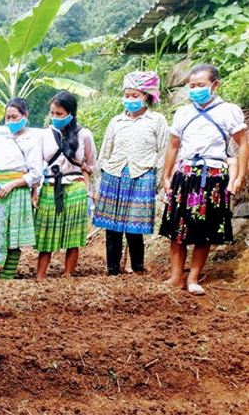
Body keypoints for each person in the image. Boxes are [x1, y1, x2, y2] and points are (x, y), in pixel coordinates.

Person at [160, 64, 248, 295]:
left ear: (215, 85)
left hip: (213, 177)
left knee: (205, 229)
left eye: (201, 85)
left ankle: (193, 277)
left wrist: (239, 176)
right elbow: (173, 146)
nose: (196, 89)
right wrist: (166, 175)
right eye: (192, 86)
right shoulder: (183, 113)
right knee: (177, 228)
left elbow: (242, 142)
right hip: (185, 174)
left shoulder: (228, 111)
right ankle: (175, 276)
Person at [92, 71, 169, 276]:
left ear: (146, 96)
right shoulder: (116, 121)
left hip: (142, 176)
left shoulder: (157, 120)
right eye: (127, 95)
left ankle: (137, 270)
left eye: (135, 96)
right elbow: (105, 152)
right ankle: (112, 271)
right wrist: (99, 182)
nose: (130, 100)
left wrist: (158, 183)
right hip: (113, 175)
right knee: (112, 228)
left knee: (135, 228)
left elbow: (163, 152)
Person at [0, 98, 43, 280]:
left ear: (25, 116)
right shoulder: (4, 139)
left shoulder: (31, 141)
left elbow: (35, 174)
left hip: (16, 191)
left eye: (15, 117)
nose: (11, 121)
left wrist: (12, 184)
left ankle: (6, 277)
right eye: (8, 117)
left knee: (13, 236)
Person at [34, 91, 97, 280]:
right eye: (52, 113)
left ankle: (68, 275)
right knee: (46, 234)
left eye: (59, 114)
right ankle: (39, 276)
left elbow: (90, 164)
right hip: (50, 186)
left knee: (74, 234)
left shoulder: (84, 134)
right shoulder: (44, 135)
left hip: (75, 187)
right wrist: (34, 191)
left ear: (70, 113)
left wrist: (87, 189)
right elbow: (37, 166)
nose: (55, 117)